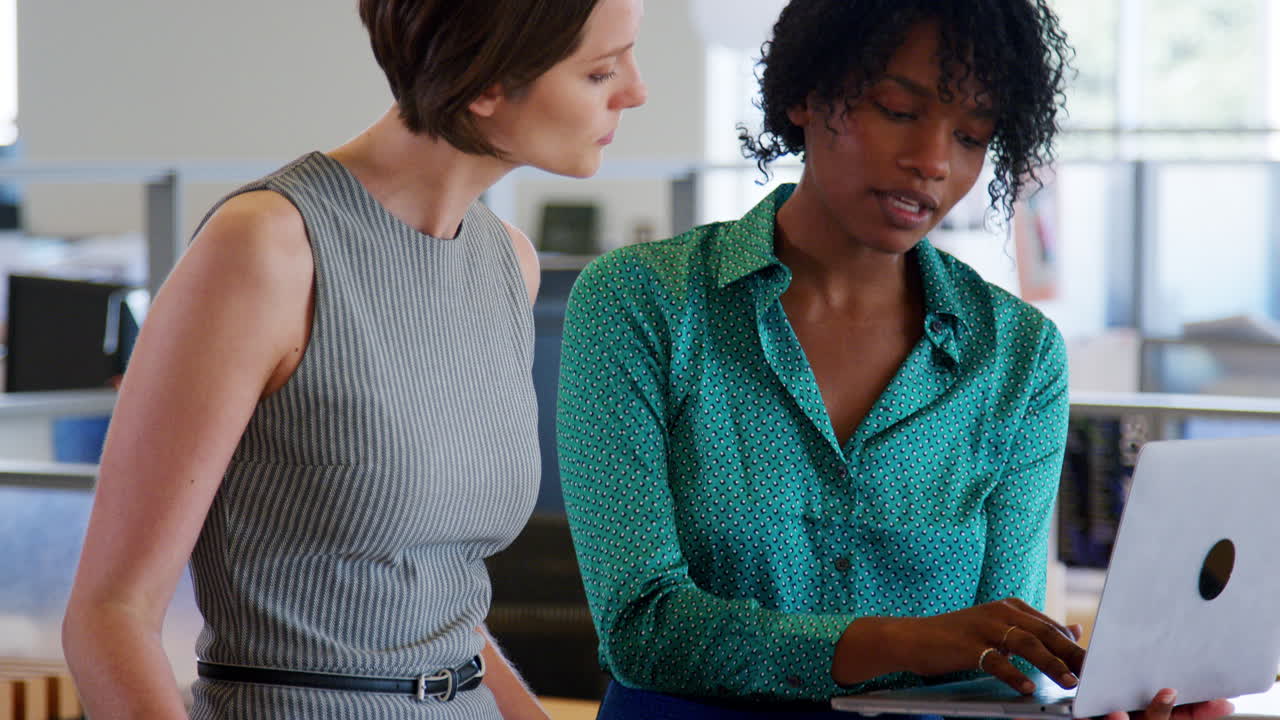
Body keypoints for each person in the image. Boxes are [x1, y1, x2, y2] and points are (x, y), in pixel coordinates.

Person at [556, 1, 1234, 719]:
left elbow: (1007, 667)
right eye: (898, 110)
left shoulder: (1017, 357)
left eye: (973, 137)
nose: (935, 162)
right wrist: (905, 644)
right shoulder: (642, 302)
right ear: (806, 95)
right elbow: (644, 629)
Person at [61, 1, 646, 718]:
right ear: (487, 84)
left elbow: (440, 612)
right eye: (601, 71)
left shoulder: (507, 264)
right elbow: (110, 616)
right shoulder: (268, 248)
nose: (635, 91)